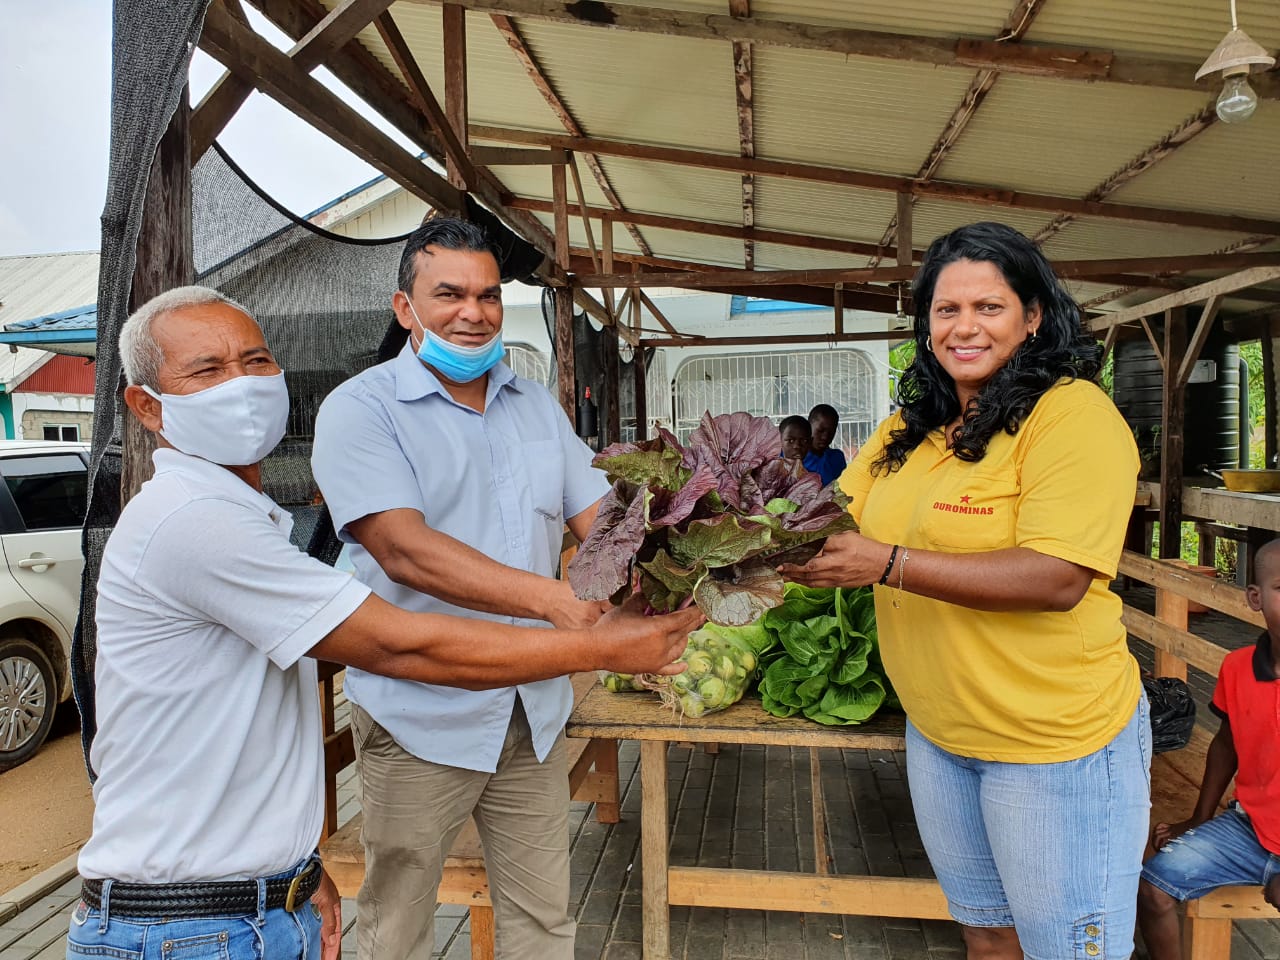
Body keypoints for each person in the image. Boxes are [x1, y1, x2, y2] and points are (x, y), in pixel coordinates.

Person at [68, 286, 700, 960]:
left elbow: (245, 725)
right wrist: (590, 643)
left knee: (543, 915)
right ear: (147, 406)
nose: (243, 385)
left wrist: (296, 872)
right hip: (188, 929)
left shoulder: (242, 512)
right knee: (400, 924)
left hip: (253, 904)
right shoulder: (197, 518)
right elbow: (399, 641)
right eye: (207, 370)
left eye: (256, 361)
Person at [779, 221, 1147, 960]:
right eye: (946, 311)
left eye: (989, 307)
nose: (964, 327)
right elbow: (821, 515)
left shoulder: (1072, 416)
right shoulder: (909, 429)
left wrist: (887, 564)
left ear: (1034, 316)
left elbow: (1059, 576)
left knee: (1070, 951)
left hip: (1051, 745)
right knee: (985, 935)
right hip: (941, 736)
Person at [310, 218, 623, 960]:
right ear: (404, 307)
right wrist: (550, 600)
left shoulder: (534, 404)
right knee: (401, 925)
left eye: (488, 295)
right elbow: (404, 550)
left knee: (543, 918)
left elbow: (602, 518)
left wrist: (682, 549)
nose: (473, 312)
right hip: (423, 715)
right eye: (448, 293)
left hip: (532, 712)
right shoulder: (362, 409)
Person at [1137, 538, 1280, 958]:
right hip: (1250, 830)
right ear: (1255, 598)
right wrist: (1199, 818)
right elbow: (1225, 744)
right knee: (1152, 889)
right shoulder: (1238, 668)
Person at [803, 403, 847, 486]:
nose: (825, 437)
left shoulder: (837, 458)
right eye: (820, 430)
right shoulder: (793, 456)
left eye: (831, 432)